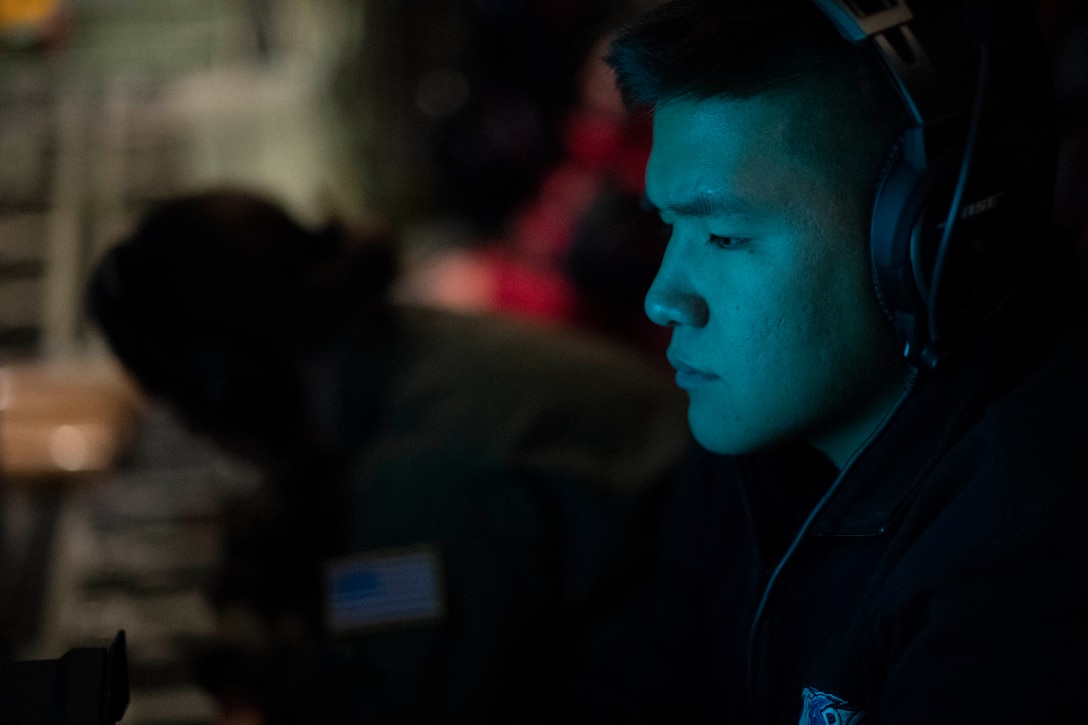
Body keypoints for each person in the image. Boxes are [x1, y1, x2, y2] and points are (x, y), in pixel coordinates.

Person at [567, 0, 1088, 722]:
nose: (664, 299)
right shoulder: (748, 445)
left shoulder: (1030, 554)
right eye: (665, 225)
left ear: (925, 240)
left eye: (723, 236)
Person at [84, 189, 691, 723]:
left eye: (185, 405)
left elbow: (392, 699)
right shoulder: (401, 356)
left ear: (224, 384)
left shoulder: (419, 474)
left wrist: (261, 666)